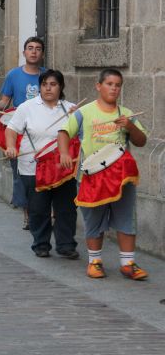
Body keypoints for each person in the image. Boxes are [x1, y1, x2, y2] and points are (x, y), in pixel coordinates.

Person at [58, 69, 149, 280]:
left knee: (127, 218)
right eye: (109, 83)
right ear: (98, 86)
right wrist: (63, 152)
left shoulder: (125, 113)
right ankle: (95, 262)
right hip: (92, 176)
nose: (114, 88)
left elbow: (141, 141)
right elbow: (64, 132)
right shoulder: (84, 112)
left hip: (120, 177)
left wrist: (129, 127)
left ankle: (128, 264)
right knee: (94, 219)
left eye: (117, 85)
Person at [4, 70, 79, 259]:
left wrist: (77, 117)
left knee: (66, 208)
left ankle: (66, 244)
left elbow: (83, 134)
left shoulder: (71, 109)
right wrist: (11, 146)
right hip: (33, 166)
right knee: (38, 208)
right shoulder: (27, 107)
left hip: (63, 167)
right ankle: (41, 244)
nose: (48, 88)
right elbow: (11, 129)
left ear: (60, 87)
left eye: (53, 84)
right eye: (44, 84)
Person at [0, 37, 46, 230]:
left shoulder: (48, 76)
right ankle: (27, 215)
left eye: (38, 49)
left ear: (42, 54)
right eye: (30, 48)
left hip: (43, 132)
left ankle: (44, 212)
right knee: (21, 175)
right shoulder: (13, 75)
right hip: (20, 133)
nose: (34, 52)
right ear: (24, 53)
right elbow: (5, 101)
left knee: (44, 173)